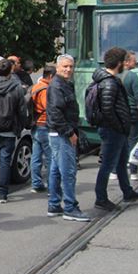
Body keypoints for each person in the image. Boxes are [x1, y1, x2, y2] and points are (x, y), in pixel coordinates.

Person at [93, 46, 138, 212]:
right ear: (120, 63)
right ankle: (101, 198)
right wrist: (120, 125)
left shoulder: (110, 80)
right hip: (112, 130)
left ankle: (127, 191)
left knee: (121, 162)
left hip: (116, 130)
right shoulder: (109, 83)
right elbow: (108, 110)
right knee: (107, 165)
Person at [47, 54, 91, 222]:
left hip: (60, 132)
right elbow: (56, 113)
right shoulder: (57, 86)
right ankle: (70, 207)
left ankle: (54, 204)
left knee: (56, 170)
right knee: (68, 171)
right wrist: (70, 133)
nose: (68, 69)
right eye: (65, 66)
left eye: (71, 66)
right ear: (57, 68)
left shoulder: (65, 84)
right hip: (61, 134)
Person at [0, 58, 27, 203]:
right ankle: (3, 194)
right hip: (9, 130)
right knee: (5, 162)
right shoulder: (17, 88)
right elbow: (21, 110)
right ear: (10, 70)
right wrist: (20, 127)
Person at [30, 65, 56, 193]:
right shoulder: (46, 90)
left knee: (36, 157)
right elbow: (48, 107)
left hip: (36, 125)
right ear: (51, 76)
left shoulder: (35, 87)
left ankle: (36, 183)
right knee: (50, 157)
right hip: (44, 125)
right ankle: (52, 186)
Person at [119, 51, 138, 181]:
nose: (136, 62)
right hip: (132, 112)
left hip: (119, 113)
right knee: (133, 140)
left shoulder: (116, 75)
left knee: (120, 141)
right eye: (134, 60)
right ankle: (133, 171)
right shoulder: (132, 76)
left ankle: (115, 171)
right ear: (126, 62)